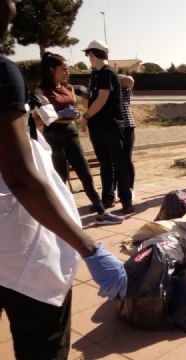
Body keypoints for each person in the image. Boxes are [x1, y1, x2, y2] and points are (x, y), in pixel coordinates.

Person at [0, 1, 127, 358]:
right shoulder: (3, 72)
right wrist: (89, 247)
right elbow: (21, 177)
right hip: (17, 247)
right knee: (42, 342)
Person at [36, 52, 123, 225]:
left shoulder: (68, 88)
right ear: (52, 69)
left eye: (68, 69)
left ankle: (101, 212)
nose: (67, 73)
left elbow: (76, 110)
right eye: (64, 69)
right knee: (60, 178)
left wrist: (76, 115)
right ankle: (62, 219)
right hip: (53, 136)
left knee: (86, 174)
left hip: (71, 134)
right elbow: (37, 120)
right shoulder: (41, 91)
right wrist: (60, 115)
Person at [82, 40, 134, 214]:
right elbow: (91, 98)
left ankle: (126, 200)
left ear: (92, 53)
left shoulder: (108, 72)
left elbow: (102, 99)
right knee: (105, 164)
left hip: (111, 126)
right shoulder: (95, 74)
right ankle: (107, 198)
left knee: (119, 163)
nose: (88, 58)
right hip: (97, 128)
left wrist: (86, 116)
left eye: (88, 54)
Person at [119, 74, 136, 194]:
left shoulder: (123, 87)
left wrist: (112, 77)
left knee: (126, 158)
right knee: (115, 161)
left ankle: (130, 189)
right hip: (113, 127)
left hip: (127, 126)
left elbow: (130, 80)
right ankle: (116, 189)